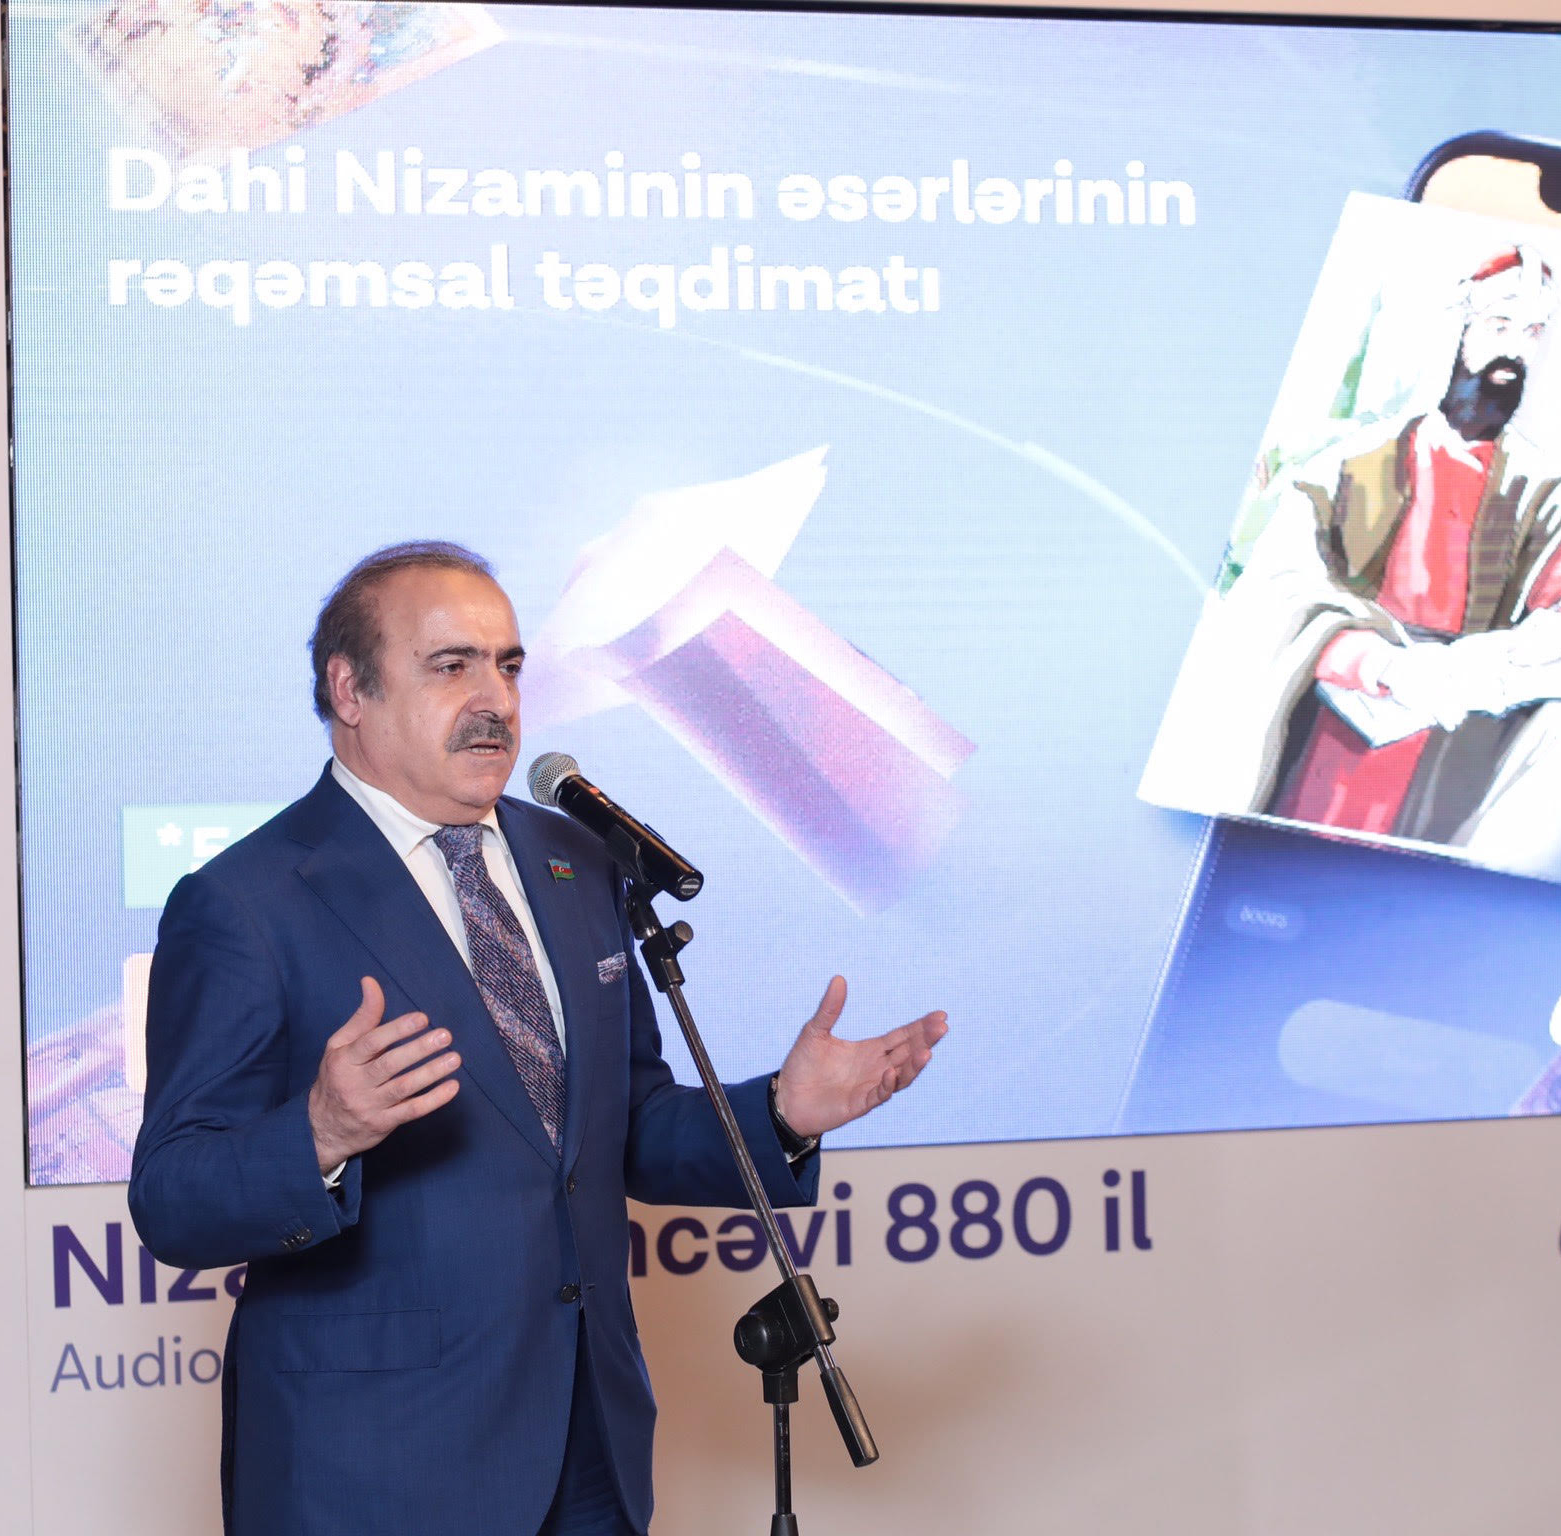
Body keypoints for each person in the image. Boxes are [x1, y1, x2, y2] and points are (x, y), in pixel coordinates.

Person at [128, 541, 948, 1536]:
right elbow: (172, 1199)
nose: (496, 701)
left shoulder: (572, 858)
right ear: (350, 690)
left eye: (508, 666)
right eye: (452, 666)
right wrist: (319, 1135)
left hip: (588, 1444)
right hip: (373, 1470)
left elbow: (624, 1124)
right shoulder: (247, 902)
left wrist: (780, 1113)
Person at [1222, 245, 1561, 842]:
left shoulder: (1535, 487)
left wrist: (1550, 636)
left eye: (1532, 332)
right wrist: (1380, 664)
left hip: (1452, 744)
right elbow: (1279, 591)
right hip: (1340, 725)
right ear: (1457, 331)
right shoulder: (1351, 465)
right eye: (1499, 325)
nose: (1515, 351)